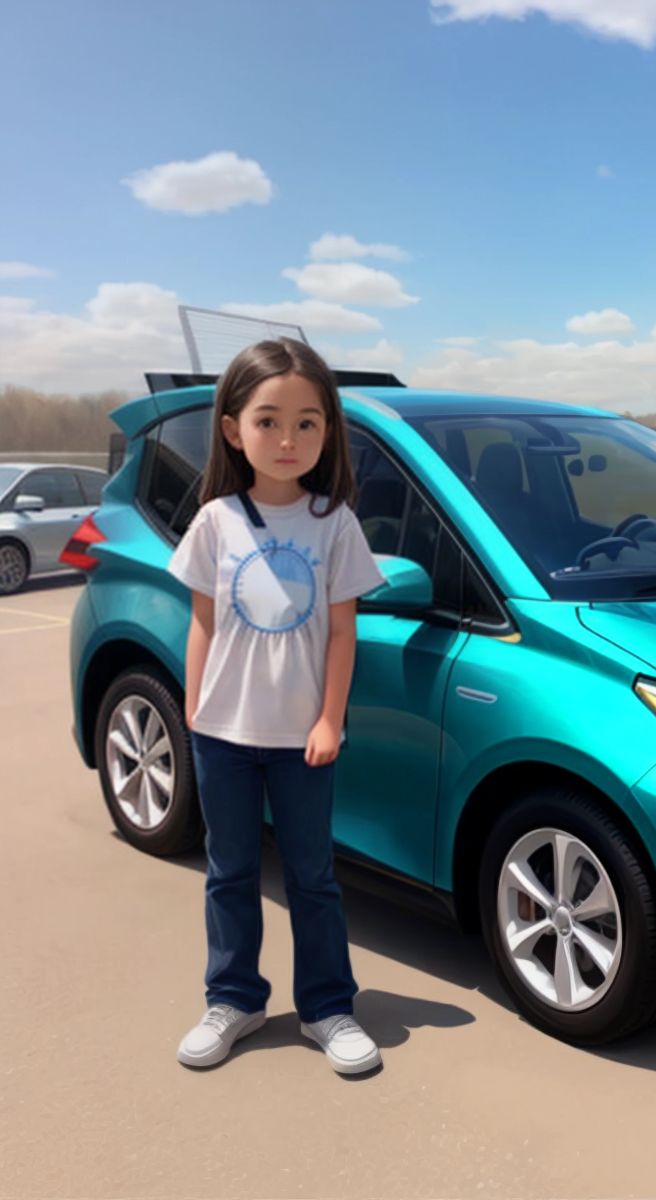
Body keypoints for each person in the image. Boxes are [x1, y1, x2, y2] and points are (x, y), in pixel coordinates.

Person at [166, 338, 387, 1074]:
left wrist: (330, 719)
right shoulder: (215, 521)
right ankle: (234, 997)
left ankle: (328, 1007)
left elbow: (342, 633)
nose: (288, 439)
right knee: (228, 872)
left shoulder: (335, 523)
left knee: (312, 876)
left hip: (304, 740)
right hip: (222, 733)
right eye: (268, 421)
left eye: (307, 422)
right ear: (232, 429)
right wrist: (195, 706)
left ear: (329, 431)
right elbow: (202, 621)